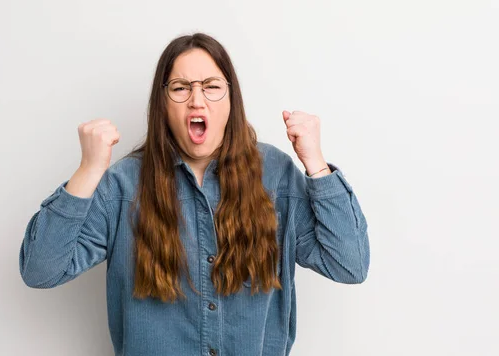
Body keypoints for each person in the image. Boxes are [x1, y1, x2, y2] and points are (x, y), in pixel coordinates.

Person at [19, 32, 370, 356]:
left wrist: (316, 165)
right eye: (181, 88)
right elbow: (41, 270)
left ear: (231, 98)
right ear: (163, 101)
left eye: (212, 86)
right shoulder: (122, 185)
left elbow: (349, 265)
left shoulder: (276, 176)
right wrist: (88, 170)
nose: (196, 100)